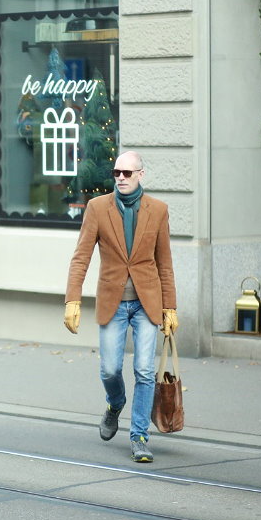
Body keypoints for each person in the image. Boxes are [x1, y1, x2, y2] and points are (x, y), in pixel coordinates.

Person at [63, 151, 178, 463]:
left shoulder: (158, 210)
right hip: (113, 301)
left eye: (128, 173)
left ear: (141, 174)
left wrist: (170, 307)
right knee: (110, 368)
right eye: (117, 173)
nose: (121, 178)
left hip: (146, 303)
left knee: (143, 370)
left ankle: (139, 435)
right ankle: (115, 403)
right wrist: (72, 298)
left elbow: (164, 264)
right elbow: (81, 256)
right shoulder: (98, 208)